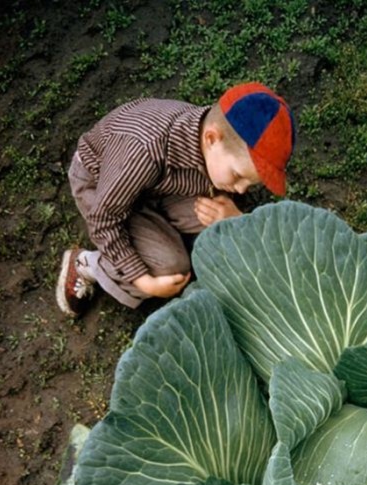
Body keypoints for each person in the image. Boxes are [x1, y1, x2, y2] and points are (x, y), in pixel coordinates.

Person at [56, 82, 295, 316]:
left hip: (157, 185)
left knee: (219, 219)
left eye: (250, 183)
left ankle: (161, 233)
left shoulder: (208, 136)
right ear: (211, 139)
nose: (241, 189)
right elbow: (103, 218)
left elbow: (227, 190)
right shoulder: (144, 150)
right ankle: (88, 265)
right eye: (237, 176)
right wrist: (143, 280)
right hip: (101, 187)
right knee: (170, 268)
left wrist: (233, 216)